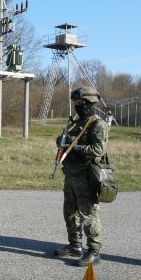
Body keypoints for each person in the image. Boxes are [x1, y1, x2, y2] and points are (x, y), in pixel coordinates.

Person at [53, 87, 108, 266]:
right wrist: (61, 140)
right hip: (70, 174)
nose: (77, 105)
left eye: (80, 102)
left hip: (86, 175)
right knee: (70, 213)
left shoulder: (97, 124)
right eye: (75, 102)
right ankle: (75, 245)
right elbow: (66, 139)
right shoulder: (75, 122)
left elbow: (99, 150)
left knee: (89, 215)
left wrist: (75, 147)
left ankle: (94, 251)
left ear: (89, 103)